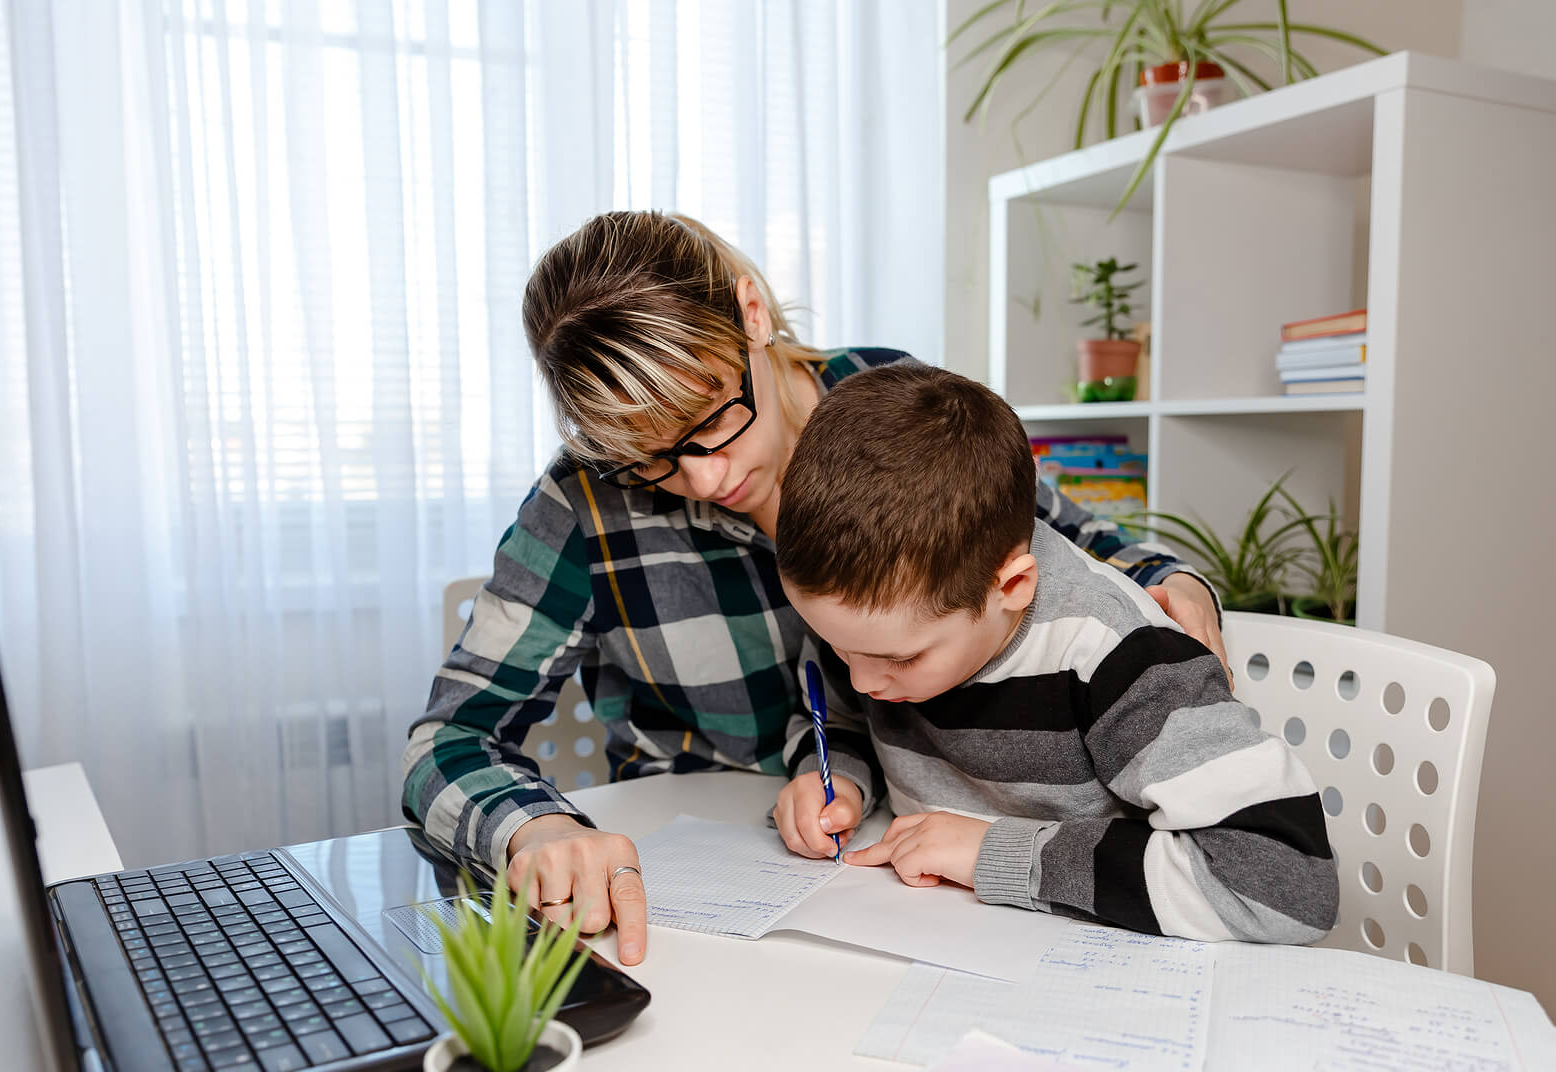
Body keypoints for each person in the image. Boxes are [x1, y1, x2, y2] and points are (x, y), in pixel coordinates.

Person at [402, 211, 1233, 965]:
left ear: (751, 314)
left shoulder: (889, 403)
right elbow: (447, 739)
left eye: (710, 418)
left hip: (928, 860)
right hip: (716, 876)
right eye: (650, 457)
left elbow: (1063, 539)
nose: (704, 478)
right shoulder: (584, 501)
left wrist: (1170, 583)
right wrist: (535, 828)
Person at [771, 361, 1337, 943]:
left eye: (901, 661)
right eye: (840, 649)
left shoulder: (1118, 655)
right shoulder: (871, 623)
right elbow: (835, 716)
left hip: (1103, 959)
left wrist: (996, 853)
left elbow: (1288, 885)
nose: (862, 681)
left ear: (1012, 586)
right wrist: (834, 778)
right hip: (934, 934)